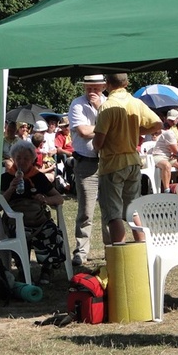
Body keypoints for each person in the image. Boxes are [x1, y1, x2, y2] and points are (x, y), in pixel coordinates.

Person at [93, 73, 162, 244]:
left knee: (113, 213)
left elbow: (98, 142)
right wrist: (136, 132)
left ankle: (120, 251)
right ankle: (142, 247)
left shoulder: (107, 106)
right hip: (133, 161)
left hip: (113, 164)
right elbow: (158, 124)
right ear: (127, 82)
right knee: (133, 210)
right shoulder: (136, 103)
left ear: (107, 84)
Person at [1, 140, 65, 285]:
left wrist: (45, 199)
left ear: (32, 160)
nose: (22, 162)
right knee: (19, 232)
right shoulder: (6, 178)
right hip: (15, 219)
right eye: (18, 158)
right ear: (13, 159)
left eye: (26, 159)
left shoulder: (38, 177)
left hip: (37, 219)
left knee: (51, 231)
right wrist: (11, 188)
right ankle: (23, 270)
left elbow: (59, 198)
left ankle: (47, 269)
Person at [68, 74, 110, 266]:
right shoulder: (77, 104)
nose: (92, 91)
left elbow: (115, 128)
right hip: (86, 161)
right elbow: (83, 132)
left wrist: (99, 108)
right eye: (89, 88)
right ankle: (81, 251)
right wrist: (103, 129)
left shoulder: (109, 103)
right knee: (86, 210)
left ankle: (111, 248)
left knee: (109, 208)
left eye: (96, 87)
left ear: (103, 87)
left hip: (108, 161)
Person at [152, 113, 178, 192]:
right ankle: (167, 190)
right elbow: (177, 151)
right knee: (167, 165)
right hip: (158, 156)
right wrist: (177, 155)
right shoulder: (170, 133)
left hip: (169, 156)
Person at [54, 116, 74, 190]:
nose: (65, 128)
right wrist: (71, 154)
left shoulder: (74, 132)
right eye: (63, 126)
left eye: (67, 126)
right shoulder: (59, 134)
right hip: (68, 156)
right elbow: (59, 150)